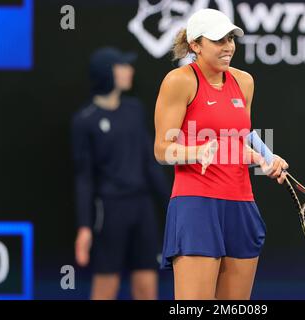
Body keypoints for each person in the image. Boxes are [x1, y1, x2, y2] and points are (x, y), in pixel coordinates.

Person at [154, 9, 289, 300]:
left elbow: (242, 136)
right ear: (195, 45)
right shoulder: (179, 81)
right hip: (196, 205)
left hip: (241, 204)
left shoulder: (245, 81)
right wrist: (196, 151)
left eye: (230, 38)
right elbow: (162, 150)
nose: (228, 46)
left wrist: (267, 157)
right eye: (218, 40)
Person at [71, 47, 170, 300]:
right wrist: (84, 227)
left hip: (143, 208)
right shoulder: (85, 121)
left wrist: (174, 204)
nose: (130, 71)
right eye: (123, 66)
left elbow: (150, 162)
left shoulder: (135, 109)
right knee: (106, 287)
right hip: (110, 210)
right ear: (107, 73)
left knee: (147, 286)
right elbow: (84, 177)